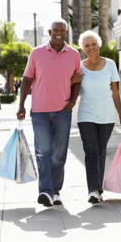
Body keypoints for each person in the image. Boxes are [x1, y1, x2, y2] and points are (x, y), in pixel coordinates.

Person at [17, 19, 81, 207]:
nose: (59, 33)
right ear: (49, 32)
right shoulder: (36, 53)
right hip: (40, 112)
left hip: (63, 112)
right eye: (55, 30)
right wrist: (21, 105)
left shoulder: (74, 54)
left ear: (66, 32)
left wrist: (72, 102)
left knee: (59, 154)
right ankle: (45, 191)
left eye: (62, 30)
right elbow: (27, 79)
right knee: (43, 152)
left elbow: (77, 80)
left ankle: (56, 191)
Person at [76, 30, 121, 205]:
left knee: (100, 151)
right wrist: (73, 80)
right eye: (87, 45)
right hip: (86, 115)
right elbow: (70, 87)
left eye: (93, 44)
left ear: (99, 45)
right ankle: (93, 190)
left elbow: (115, 94)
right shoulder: (80, 67)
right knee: (91, 151)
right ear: (83, 48)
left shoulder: (110, 64)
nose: (90, 48)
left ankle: (98, 189)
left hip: (106, 116)